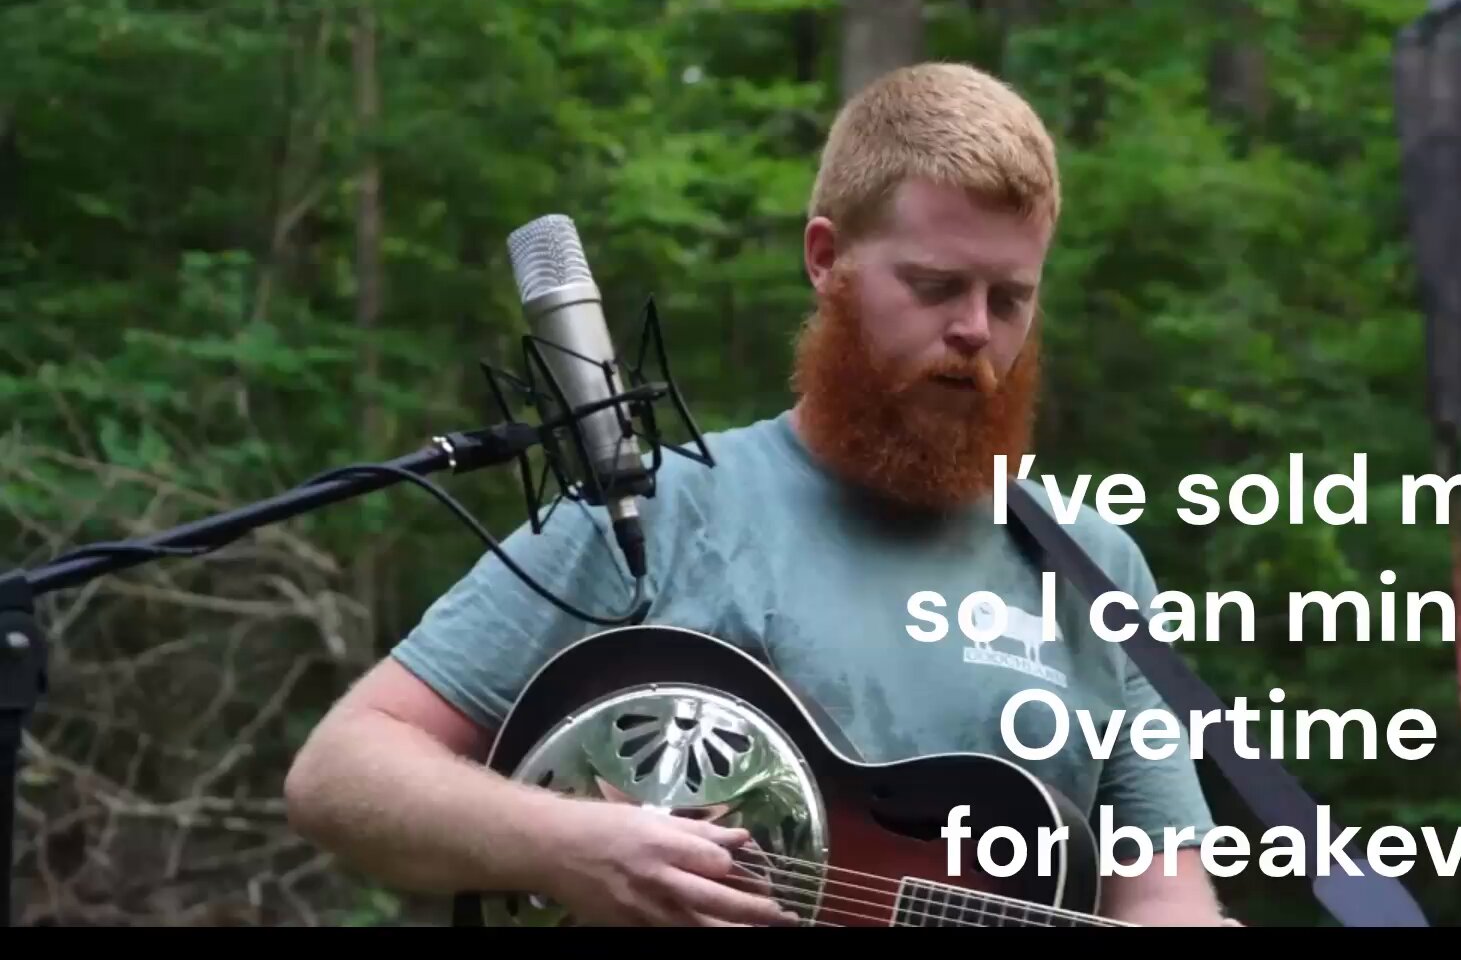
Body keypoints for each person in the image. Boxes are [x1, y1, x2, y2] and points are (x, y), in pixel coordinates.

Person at [283, 61, 1234, 927]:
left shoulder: (1093, 568)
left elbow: (1165, 896)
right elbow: (343, 769)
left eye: (1010, 298)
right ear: (826, 259)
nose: (976, 331)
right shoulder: (656, 512)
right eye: (936, 286)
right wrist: (571, 847)